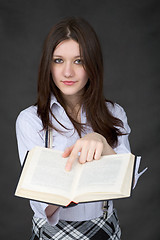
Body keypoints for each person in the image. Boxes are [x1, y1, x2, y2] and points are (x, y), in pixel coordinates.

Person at [16, 17, 145, 240]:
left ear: (92, 64)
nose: (67, 72)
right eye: (58, 60)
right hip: (51, 233)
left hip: (104, 229)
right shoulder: (30, 120)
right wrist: (69, 188)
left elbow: (128, 181)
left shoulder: (114, 113)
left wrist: (102, 143)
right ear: (48, 64)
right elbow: (40, 206)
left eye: (78, 61)